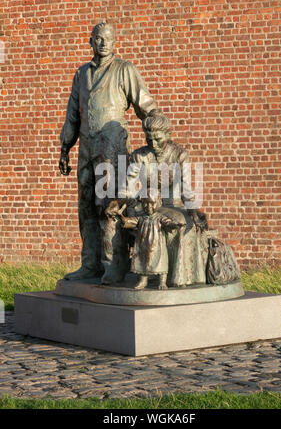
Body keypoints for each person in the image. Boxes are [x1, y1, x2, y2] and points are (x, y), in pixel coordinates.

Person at [59, 22, 157, 282]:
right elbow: (73, 114)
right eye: (98, 39)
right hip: (87, 148)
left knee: (109, 206)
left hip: (111, 147)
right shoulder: (81, 75)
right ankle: (90, 264)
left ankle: (112, 265)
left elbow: (145, 104)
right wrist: (65, 147)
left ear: (115, 42)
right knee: (86, 207)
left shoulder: (124, 70)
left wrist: (158, 134)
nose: (103, 43)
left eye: (108, 39)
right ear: (90, 41)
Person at [111, 111, 209, 287]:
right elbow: (128, 187)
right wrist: (117, 204)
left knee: (181, 222)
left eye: (158, 139)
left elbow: (186, 189)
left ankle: (177, 277)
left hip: (172, 205)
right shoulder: (139, 156)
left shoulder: (179, 155)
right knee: (138, 221)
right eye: (149, 140)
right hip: (145, 205)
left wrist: (194, 211)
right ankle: (141, 273)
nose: (153, 144)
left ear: (169, 135)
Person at [120, 189, 186, 290]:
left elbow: (168, 223)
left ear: (158, 203)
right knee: (143, 262)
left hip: (157, 246)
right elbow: (131, 222)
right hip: (143, 245)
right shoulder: (141, 218)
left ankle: (162, 281)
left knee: (160, 262)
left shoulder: (159, 217)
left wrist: (175, 225)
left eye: (152, 203)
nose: (148, 207)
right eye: (145, 204)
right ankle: (143, 281)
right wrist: (123, 218)